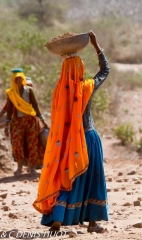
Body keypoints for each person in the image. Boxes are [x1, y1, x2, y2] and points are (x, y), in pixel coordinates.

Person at [33, 31, 110, 233]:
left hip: (66, 142)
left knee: (66, 177)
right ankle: (92, 222)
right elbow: (105, 70)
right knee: (93, 178)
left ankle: (58, 219)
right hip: (89, 139)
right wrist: (95, 45)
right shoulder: (87, 87)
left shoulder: (59, 91)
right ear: (80, 69)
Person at [4, 68, 48, 176]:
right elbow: (9, 110)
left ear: (23, 79)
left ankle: (32, 167)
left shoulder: (29, 90)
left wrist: (43, 120)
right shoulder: (11, 93)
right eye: (16, 79)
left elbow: (35, 106)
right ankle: (19, 167)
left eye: (20, 79)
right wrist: (6, 125)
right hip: (17, 122)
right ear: (13, 80)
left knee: (32, 144)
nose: (18, 81)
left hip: (31, 121)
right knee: (17, 144)